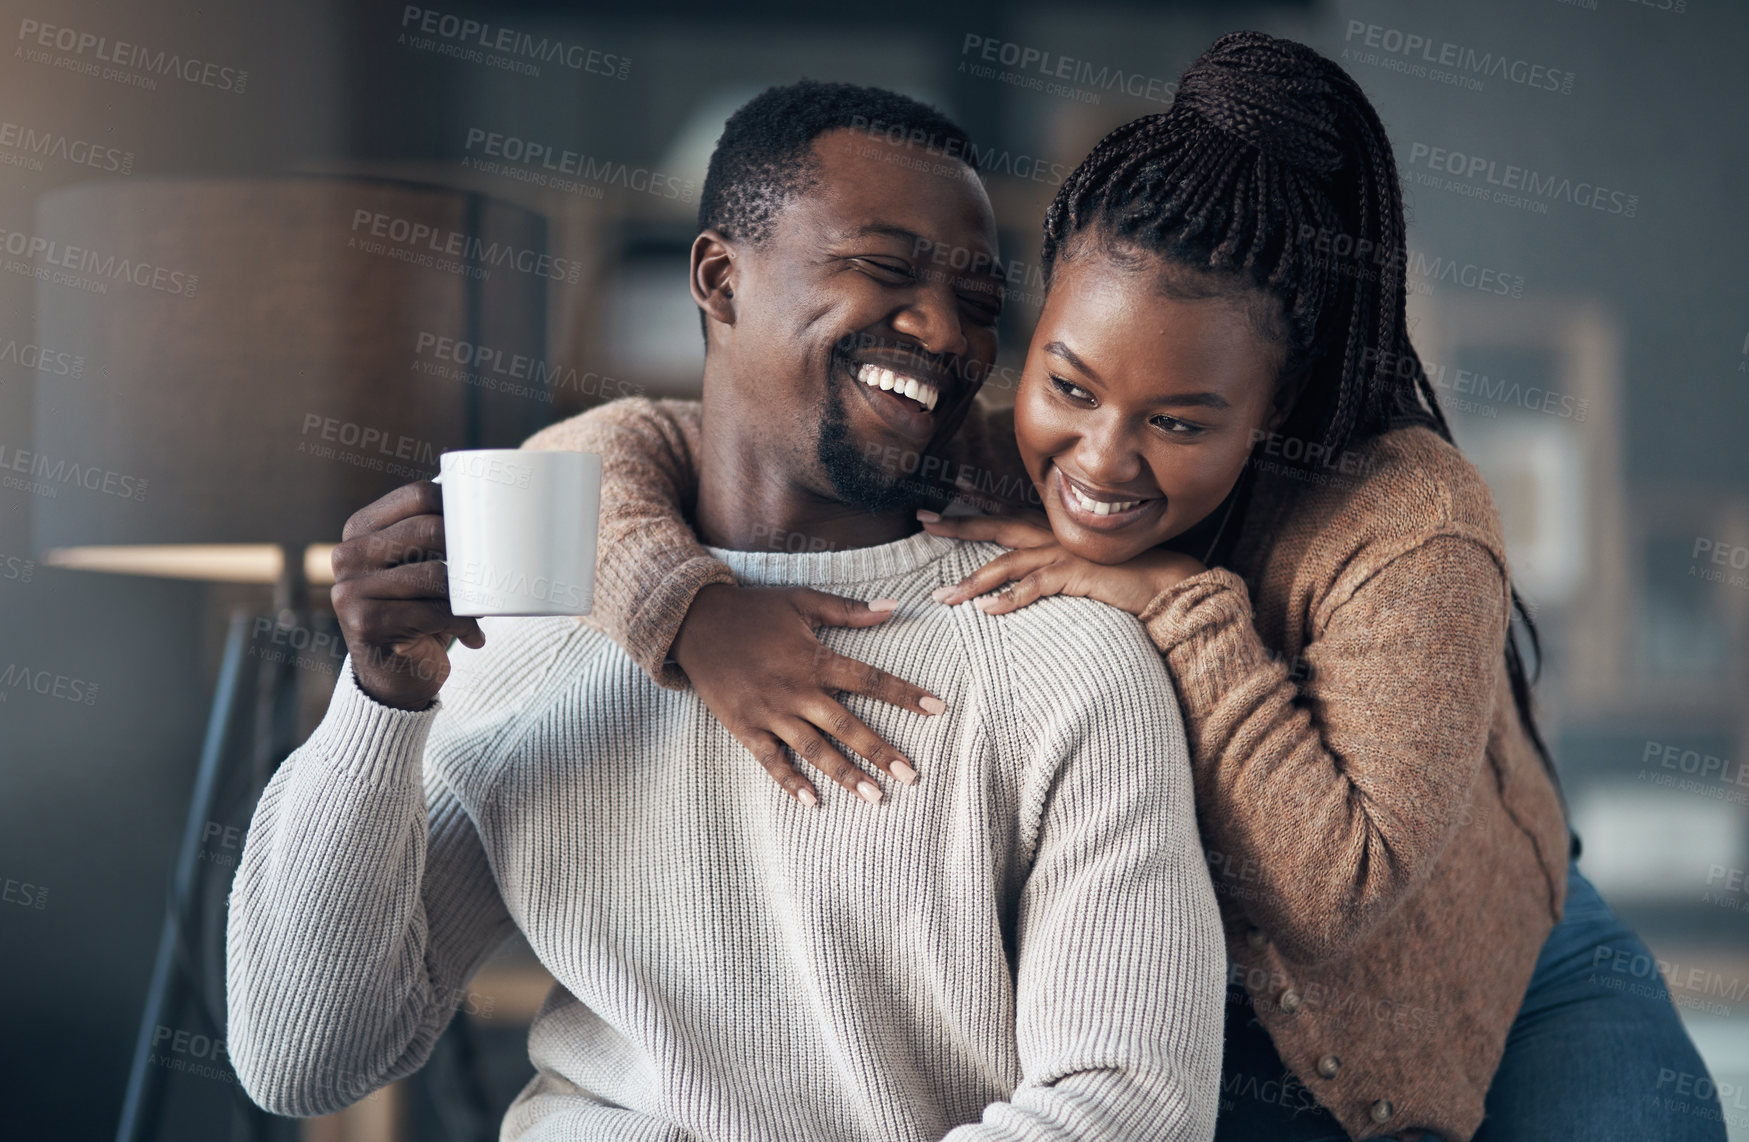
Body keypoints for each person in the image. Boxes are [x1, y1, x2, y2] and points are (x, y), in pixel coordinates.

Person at [538, 34, 1726, 1142]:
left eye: (1179, 421)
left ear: (1273, 408)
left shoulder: (1408, 522)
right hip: (1207, 1016)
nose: (1099, 462)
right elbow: (597, 454)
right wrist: (688, 609)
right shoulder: (1007, 455)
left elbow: (1332, 889)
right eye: (1070, 383)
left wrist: (1174, 604)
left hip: (1509, 972)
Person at [225, 80, 1226, 1141]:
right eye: (884, 268)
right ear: (719, 277)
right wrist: (379, 698)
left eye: (981, 302)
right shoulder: (537, 627)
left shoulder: (1068, 658)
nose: (945, 330)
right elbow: (307, 1053)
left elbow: (1127, 1106)